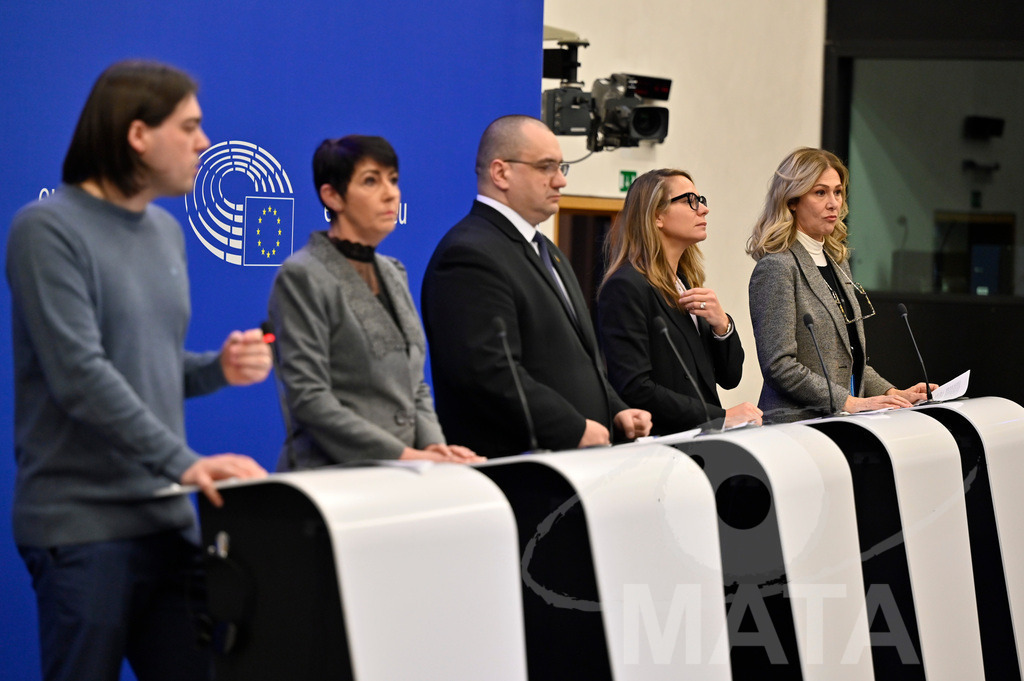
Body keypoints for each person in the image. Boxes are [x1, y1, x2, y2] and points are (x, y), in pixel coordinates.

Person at [6, 61, 271, 681]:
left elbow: (145, 364)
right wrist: (184, 462)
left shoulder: (164, 232)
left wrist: (217, 370)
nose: (205, 143)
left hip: (169, 522)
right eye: (189, 127)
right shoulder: (45, 230)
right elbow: (81, 376)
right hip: (83, 531)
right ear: (137, 135)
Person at [421, 114, 652, 457]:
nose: (560, 181)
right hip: (518, 469)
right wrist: (572, 428)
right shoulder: (469, 254)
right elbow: (488, 374)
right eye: (546, 167)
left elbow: (577, 359)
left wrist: (615, 408)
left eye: (561, 167)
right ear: (501, 173)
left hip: (572, 466)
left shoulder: (547, 251)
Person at [267, 135, 482, 469]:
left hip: (399, 478)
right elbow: (310, 398)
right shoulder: (302, 275)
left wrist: (436, 447)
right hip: (332, 477)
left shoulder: (394, 272)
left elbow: (415, 385)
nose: (390, 193)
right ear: (332, 196)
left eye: (393, 180)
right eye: (371, 180)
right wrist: (408, 456)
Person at [746, 147, 933, 420]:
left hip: (840, 422)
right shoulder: (777, 267)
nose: (833, 202)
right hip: (796, 426)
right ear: (792, 200)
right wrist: (847, 402)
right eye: (820, 193)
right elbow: (780, 366)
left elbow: (848, 361)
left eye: (838, 192)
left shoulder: (836, 263)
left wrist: (893, 393)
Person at [597, 169, 762, 433]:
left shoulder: (685, 282)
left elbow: (730, 377)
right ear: (656, 216)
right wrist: (719, 417)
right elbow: (634, 388)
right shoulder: (625, 286)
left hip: (700, 443)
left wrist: (722, 326)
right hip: (661, 447)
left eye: (702, 199)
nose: (704, 210)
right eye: (690, 201)